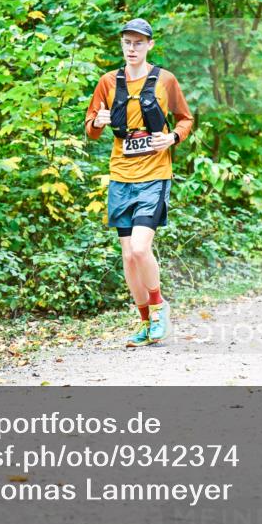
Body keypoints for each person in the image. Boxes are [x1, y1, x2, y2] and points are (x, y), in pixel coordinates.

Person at [84, 18, 194, 347]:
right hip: (121, 175)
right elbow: (91, 128)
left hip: (155, 174)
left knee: (140, 248)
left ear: (150, 45)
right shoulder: (107, 82)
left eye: (138, 43)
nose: (132, 49)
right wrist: (98, 122)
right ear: (121, 45)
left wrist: (172, 137)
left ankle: (159, 307)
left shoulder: (166, 80)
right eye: (127, 43)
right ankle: (146, 322)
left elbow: (185, 118)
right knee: (128, 257)